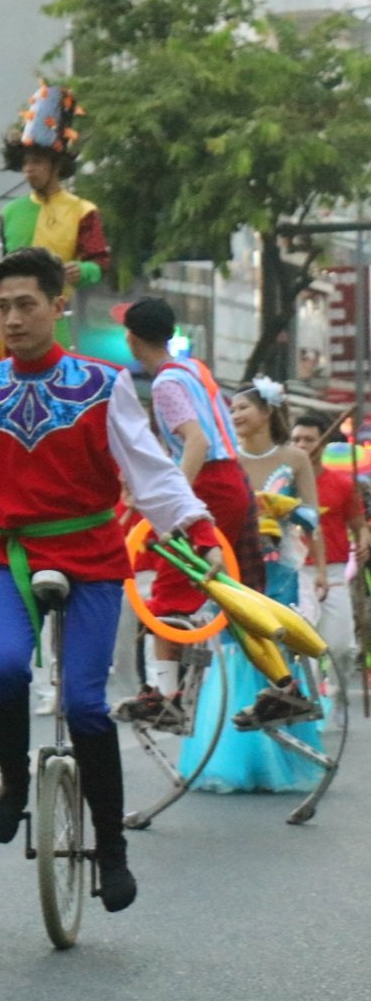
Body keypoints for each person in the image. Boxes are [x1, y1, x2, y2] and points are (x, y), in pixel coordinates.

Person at [0, 247, 224, 915]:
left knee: (82, 705)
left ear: (57, 306)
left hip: (93, 560)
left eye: (26, 304)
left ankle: (111, 846)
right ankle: (10, 784)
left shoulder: (103, 383)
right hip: (14, 558)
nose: (13, 318)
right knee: (0, 675)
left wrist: (194, 528)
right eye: (3, 307)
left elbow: (149, 473)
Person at [115, 298, 266, 730]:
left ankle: (168, 697)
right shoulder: (194, 369)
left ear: (131, 337)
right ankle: (280, 682)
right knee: (237, 594)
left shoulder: (164, 384)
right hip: (231, 480)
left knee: (171, 589)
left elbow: (195, 441)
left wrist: (174, 497)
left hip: (210, 485)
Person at [174, 380, 328, 792]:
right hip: (234, 563)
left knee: (275, 648)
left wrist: (287, 513)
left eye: (243, 408)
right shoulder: (224, 460)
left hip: (280, 571)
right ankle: (229, 757)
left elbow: (314, 517)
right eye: (233, 410)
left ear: (267, 412)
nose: (236, 416)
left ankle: (280, 752)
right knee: (231, 647)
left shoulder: (295, 458)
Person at [0, 84, 110, 353]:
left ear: (55, 164)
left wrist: (82, 271)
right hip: (3, 316)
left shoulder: (83, 211)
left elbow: (99, 263)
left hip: (50, 314)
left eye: (36, 161)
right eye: (25, 163)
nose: (28, 169)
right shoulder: (11, 211)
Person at [291, 411, 368, 673]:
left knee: (342, 647)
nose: (302, 446)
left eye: (308, 440)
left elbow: (358, 524)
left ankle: (338, 704)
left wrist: (364, 540)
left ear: (322, 444)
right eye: (297, 440)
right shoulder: (284, 484)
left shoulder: (343, 484)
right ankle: (314, 706)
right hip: (296, 571)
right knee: (304, 645)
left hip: (335, 571)